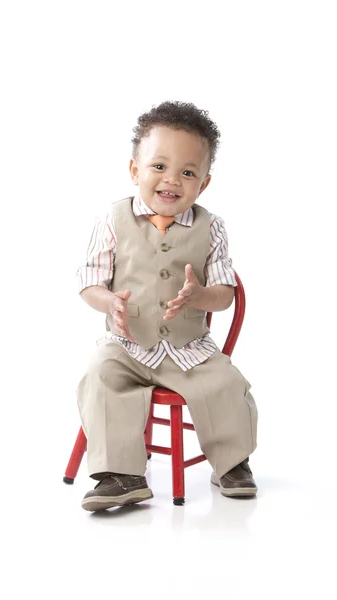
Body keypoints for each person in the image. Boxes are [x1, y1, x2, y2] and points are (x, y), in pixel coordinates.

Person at [76, 100, 258, 512]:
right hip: (128, 343)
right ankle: (121, 474)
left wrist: (201, 296)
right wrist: (108, 300)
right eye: (159, 166)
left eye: (187, 172)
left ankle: (232, 462)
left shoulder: (212, 228)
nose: (171, 179)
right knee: (100, 375)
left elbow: (225, 293)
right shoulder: (113, 220)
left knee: (226, 383)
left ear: (204, 184)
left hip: (188, 346)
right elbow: (89, 280)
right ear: (134, 169)